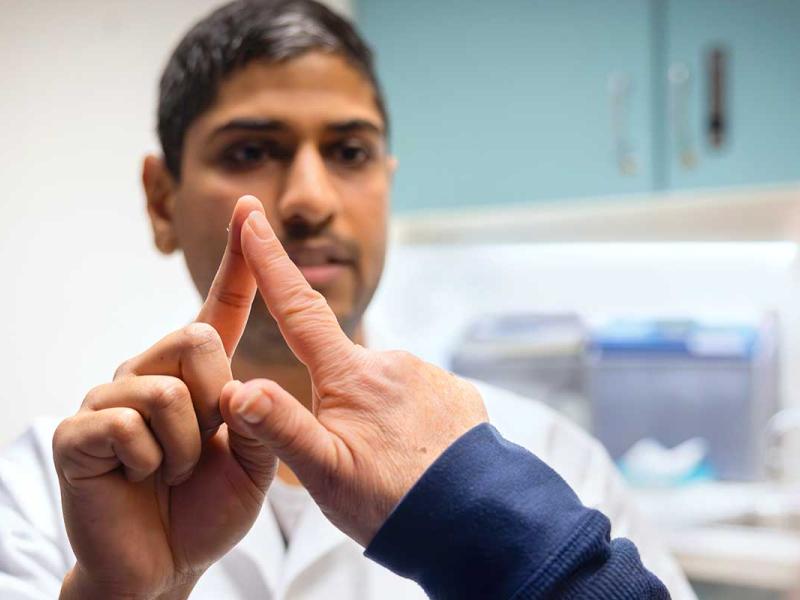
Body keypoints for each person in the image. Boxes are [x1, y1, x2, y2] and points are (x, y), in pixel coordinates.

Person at [0, 1, 695, 598]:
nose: (310, 198)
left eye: (350, 152)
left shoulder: (545, 465)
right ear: (160, 200)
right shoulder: (49, 484)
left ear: (388, 182)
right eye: (250, 151)